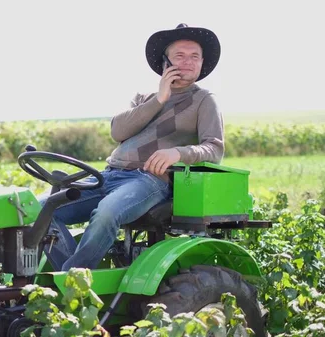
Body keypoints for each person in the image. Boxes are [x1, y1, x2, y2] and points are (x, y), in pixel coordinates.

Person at [38, 23, 225, 272]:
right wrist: (160, 98)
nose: (188, 62)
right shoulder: (144, 98)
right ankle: (71, 272)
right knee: (39, 209)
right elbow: (118, 131)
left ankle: (71, 281)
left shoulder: (204, 100)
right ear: (165, 62)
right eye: (180, 55)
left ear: (202, 63)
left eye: (195, 57)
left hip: (149, 181)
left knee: (106, 213)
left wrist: (178, 153)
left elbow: (214, 149)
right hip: (109, 175)